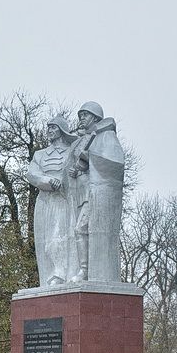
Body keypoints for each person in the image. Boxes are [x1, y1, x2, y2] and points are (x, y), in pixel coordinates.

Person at [67, 101, 125, 283]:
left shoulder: (106, 135)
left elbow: (114, 162)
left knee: (80, 229)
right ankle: (84, 270)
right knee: (79, 230)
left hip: (98, 195)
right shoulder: (87, 137)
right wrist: (78, 169)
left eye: (85, 114)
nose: (81, 118)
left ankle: (85, 270)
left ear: (95, 116)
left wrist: (88, 157)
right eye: (80, 115)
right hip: (84, 194)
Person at [26, 115, 78, 285]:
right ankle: (49, 276)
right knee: (44, 240)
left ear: (62, 130)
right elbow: (32, 174)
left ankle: (60, 273)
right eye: (48, 127)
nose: (49, 130)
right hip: (45, 200)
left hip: (62, 200)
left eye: (54, 127)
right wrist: (48, 181)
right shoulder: (40, 155)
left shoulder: (72, 151)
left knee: (59, 237)